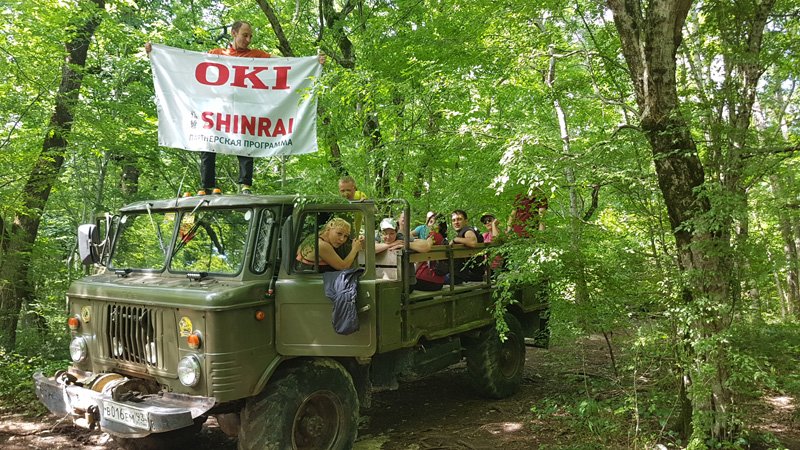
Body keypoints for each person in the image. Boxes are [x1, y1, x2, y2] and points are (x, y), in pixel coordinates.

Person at [146, 21, 326, 195]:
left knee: (247, 141)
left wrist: (312, 62)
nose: (248, 40)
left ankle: (245, 184)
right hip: (217, 111)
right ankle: (206, 186)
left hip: (244, 111)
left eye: (250, 36)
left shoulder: (256, 56)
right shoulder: (216, 54)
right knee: (207, 140)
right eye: (244, 35)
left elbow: (286, 64)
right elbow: (187, 65)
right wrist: (156, 54)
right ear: (233, 33)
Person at [296, 217, 364, 272]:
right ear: (328, 229)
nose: (342, 239)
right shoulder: (322, 245)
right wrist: (355, 249)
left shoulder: (313, 237)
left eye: (345, 236)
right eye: (339, 233)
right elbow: (343, 267)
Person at [447, 210, 485, 284]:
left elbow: (472, 242)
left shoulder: (467, 230)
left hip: (470, 275)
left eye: (459, 219)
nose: (456, 222)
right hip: (469, 274)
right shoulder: (464, 231)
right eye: (453, 220)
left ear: (466, 221)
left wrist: (455, 239)